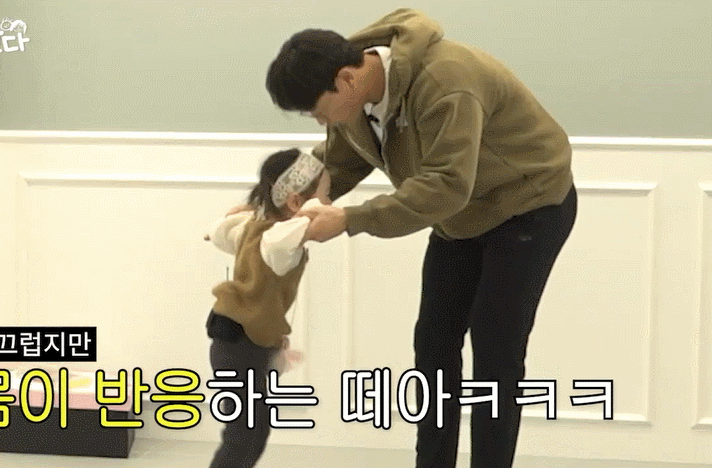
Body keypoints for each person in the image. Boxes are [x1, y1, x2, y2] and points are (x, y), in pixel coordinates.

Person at [263, 8, 578, 468]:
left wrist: (349, 219)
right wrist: (266, 208)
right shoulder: (355, 89)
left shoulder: (446, 81)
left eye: (315, 110)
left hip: (528, 205)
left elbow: (446, 185)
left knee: (496, 349)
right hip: (460, 216)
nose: (317, 121)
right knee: (433, 343)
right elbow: (334, 161)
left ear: (346, 80)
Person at [203, 148, 330, 468]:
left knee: (254, 430)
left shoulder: (254, 225)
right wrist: (317, 214)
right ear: (296, 203)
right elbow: (293, 232)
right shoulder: (278, 240)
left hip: (242, 341)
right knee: (243, 434)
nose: (329, 204)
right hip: (239, 344)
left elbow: (220, 232)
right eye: (325, 196)